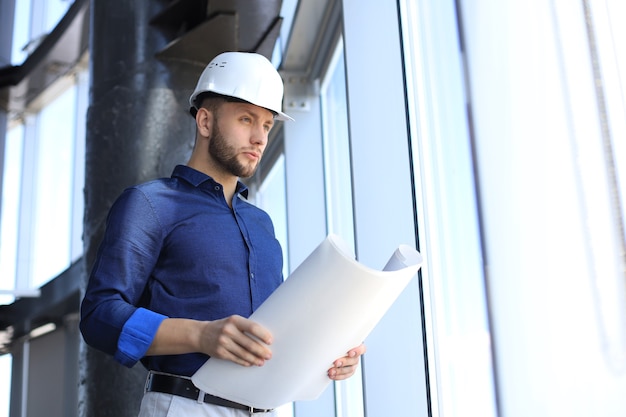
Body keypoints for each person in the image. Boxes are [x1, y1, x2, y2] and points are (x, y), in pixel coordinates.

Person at [79, 51, 366, 417]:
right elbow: (100, 315)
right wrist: (200, 335)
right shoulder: (149, 204)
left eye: (266, 125)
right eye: (246, 119)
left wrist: (326, 353)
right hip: (185, 406)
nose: (259, 137)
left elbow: (270, 334)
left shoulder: (262, 225)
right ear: (205, 121)